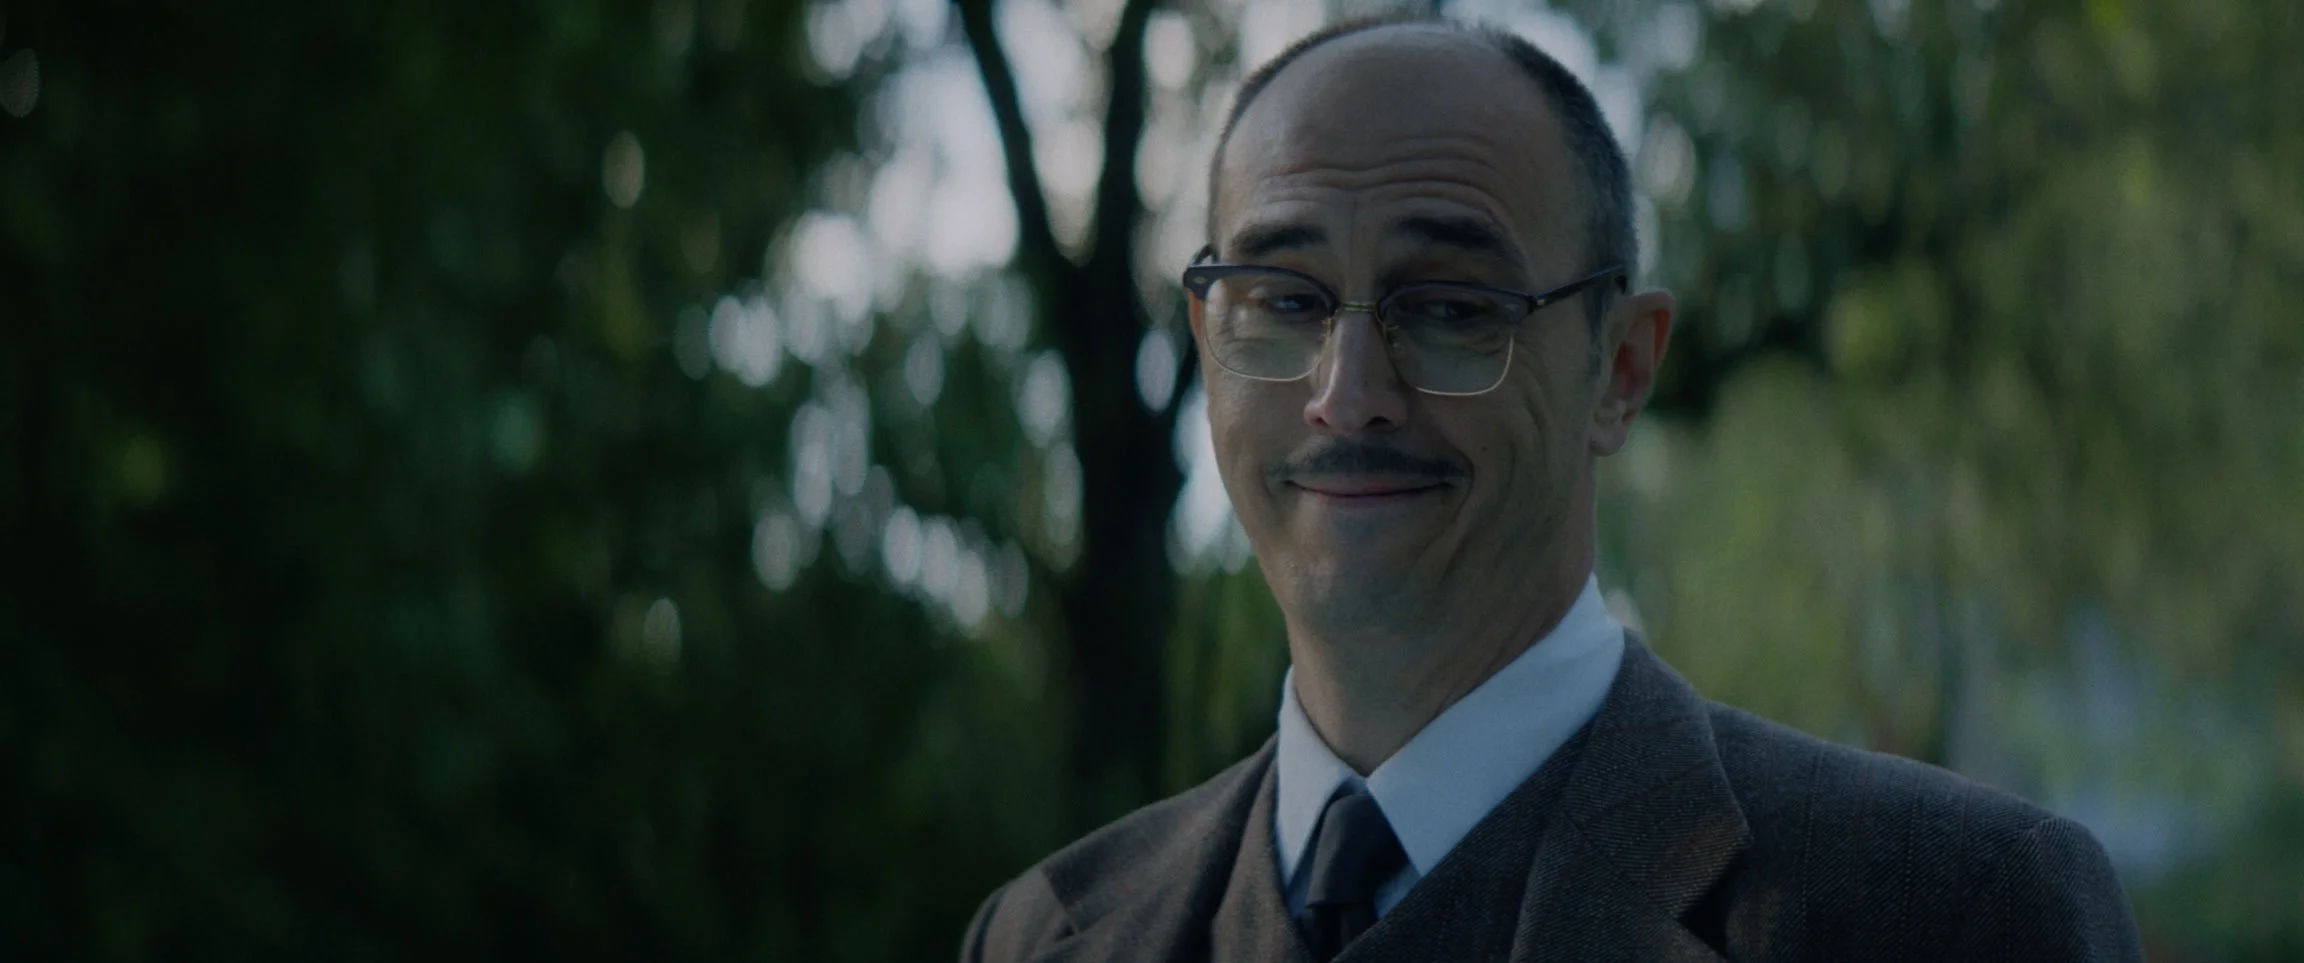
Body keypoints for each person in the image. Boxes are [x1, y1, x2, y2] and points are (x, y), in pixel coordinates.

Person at [959, 16, 2143, 963]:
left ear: (1620, 372)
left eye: (1452, 309)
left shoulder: (1956, 914)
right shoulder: (1042, 936)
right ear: (1208, 339)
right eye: (1284, 299)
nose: (1348, 394)